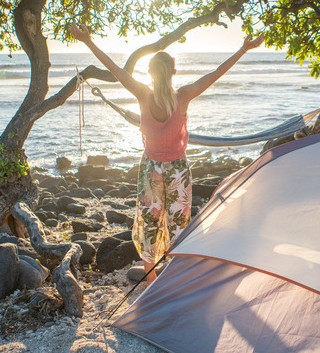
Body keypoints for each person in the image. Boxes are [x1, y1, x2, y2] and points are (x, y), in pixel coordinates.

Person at [71, 23, 264, 284]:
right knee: (178, 225)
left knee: (150, 224)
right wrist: (243, 48)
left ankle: (152, 284)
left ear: (149, 73)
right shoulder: (183, 96)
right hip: (177, 170)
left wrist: (87, 41)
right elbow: (215, 73)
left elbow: (115, 69)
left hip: (151, 168)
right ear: (174, 71)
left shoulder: (142, 94)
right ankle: (174, 281)